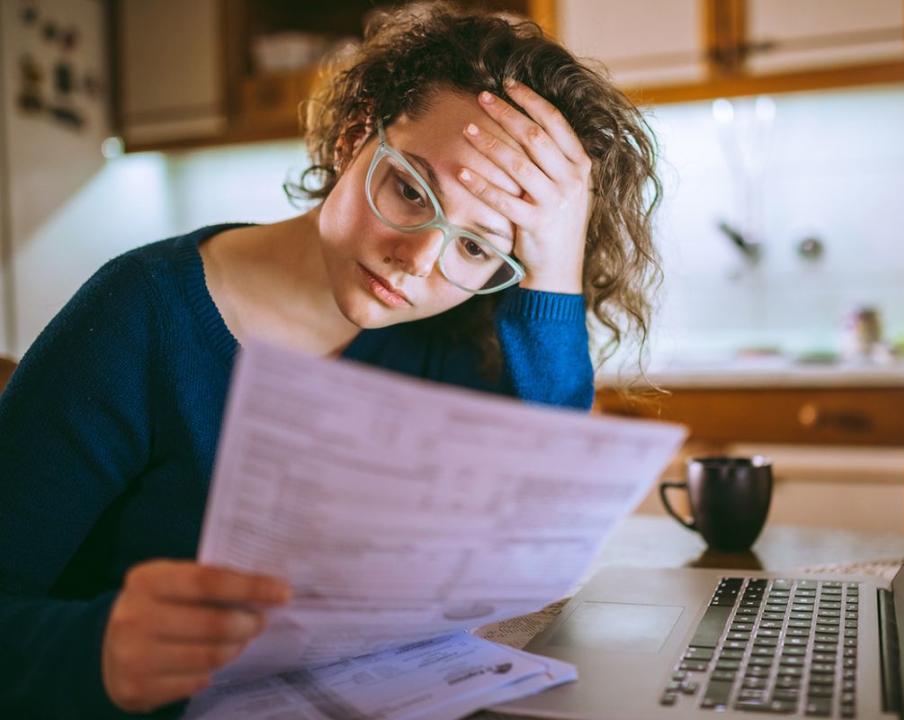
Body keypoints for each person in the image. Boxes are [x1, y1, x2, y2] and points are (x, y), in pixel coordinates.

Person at [0, 3, 660, 718]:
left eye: (477, 247)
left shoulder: (456, 336)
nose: (415, 263)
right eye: (410, 190)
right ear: (354, 137)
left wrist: (553, 265)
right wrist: (99, 649)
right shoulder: (141, 314)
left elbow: (543, 531)